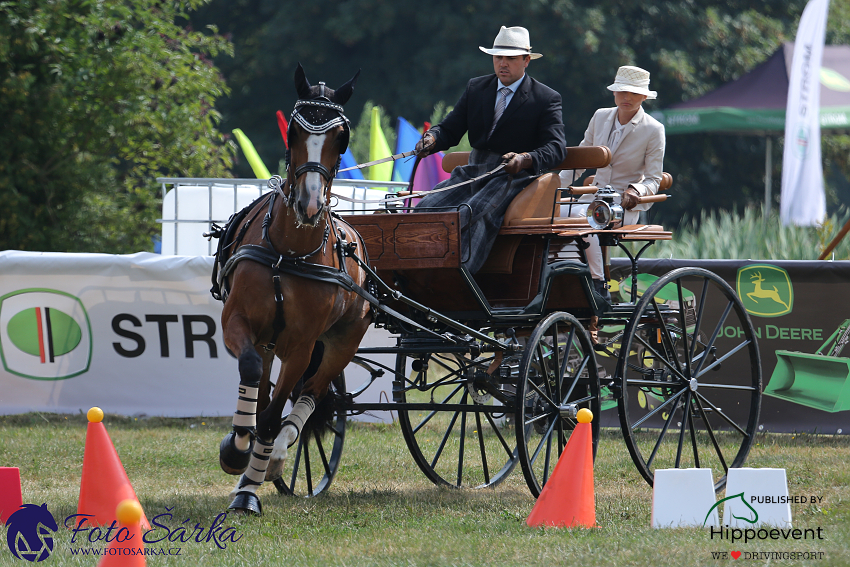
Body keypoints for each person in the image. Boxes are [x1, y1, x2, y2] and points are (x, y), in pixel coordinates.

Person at [414, 26, 566, 274]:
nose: (503, 63)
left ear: (526, 60)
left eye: (511, 58)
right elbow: (450, 129)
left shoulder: (546, 98)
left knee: (471, 212)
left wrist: (525, 159)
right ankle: (416, 272)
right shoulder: (476, 88)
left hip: (514, 177)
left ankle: (457, 277)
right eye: (498, 57)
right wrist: (432, 139)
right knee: (425, 209)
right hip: (473, 171)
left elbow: (556, 148)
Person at [559, 65, 666, 299]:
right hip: (592, 200)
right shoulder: (600, 116)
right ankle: (567, 275)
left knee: (583, 217)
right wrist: (551, 189)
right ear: (614, 92)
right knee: (551, 213)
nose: (627, 97)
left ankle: (597, 283)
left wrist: (635, 190)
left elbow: (653, 178)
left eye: (634, 93)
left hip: (621, 206)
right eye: (622, 91)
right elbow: (580, 158)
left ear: (645, 96)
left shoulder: (653, 129)